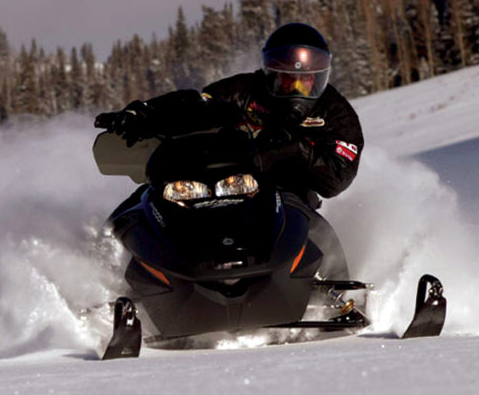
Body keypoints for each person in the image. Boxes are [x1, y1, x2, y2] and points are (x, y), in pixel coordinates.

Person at [95, 22, 363, 277]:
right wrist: (144, 113)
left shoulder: (337, 113)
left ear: (318, 79)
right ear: (271, 74)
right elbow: (196, 104)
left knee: (304, 216)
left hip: (288, 188)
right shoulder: (245, 90)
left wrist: (295, 150)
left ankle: (337, 291)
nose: (294, 88)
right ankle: (102, 271)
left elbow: (338, 178)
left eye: (302, 81)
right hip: (221, 177)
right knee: (147, 200)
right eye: (285, 79)